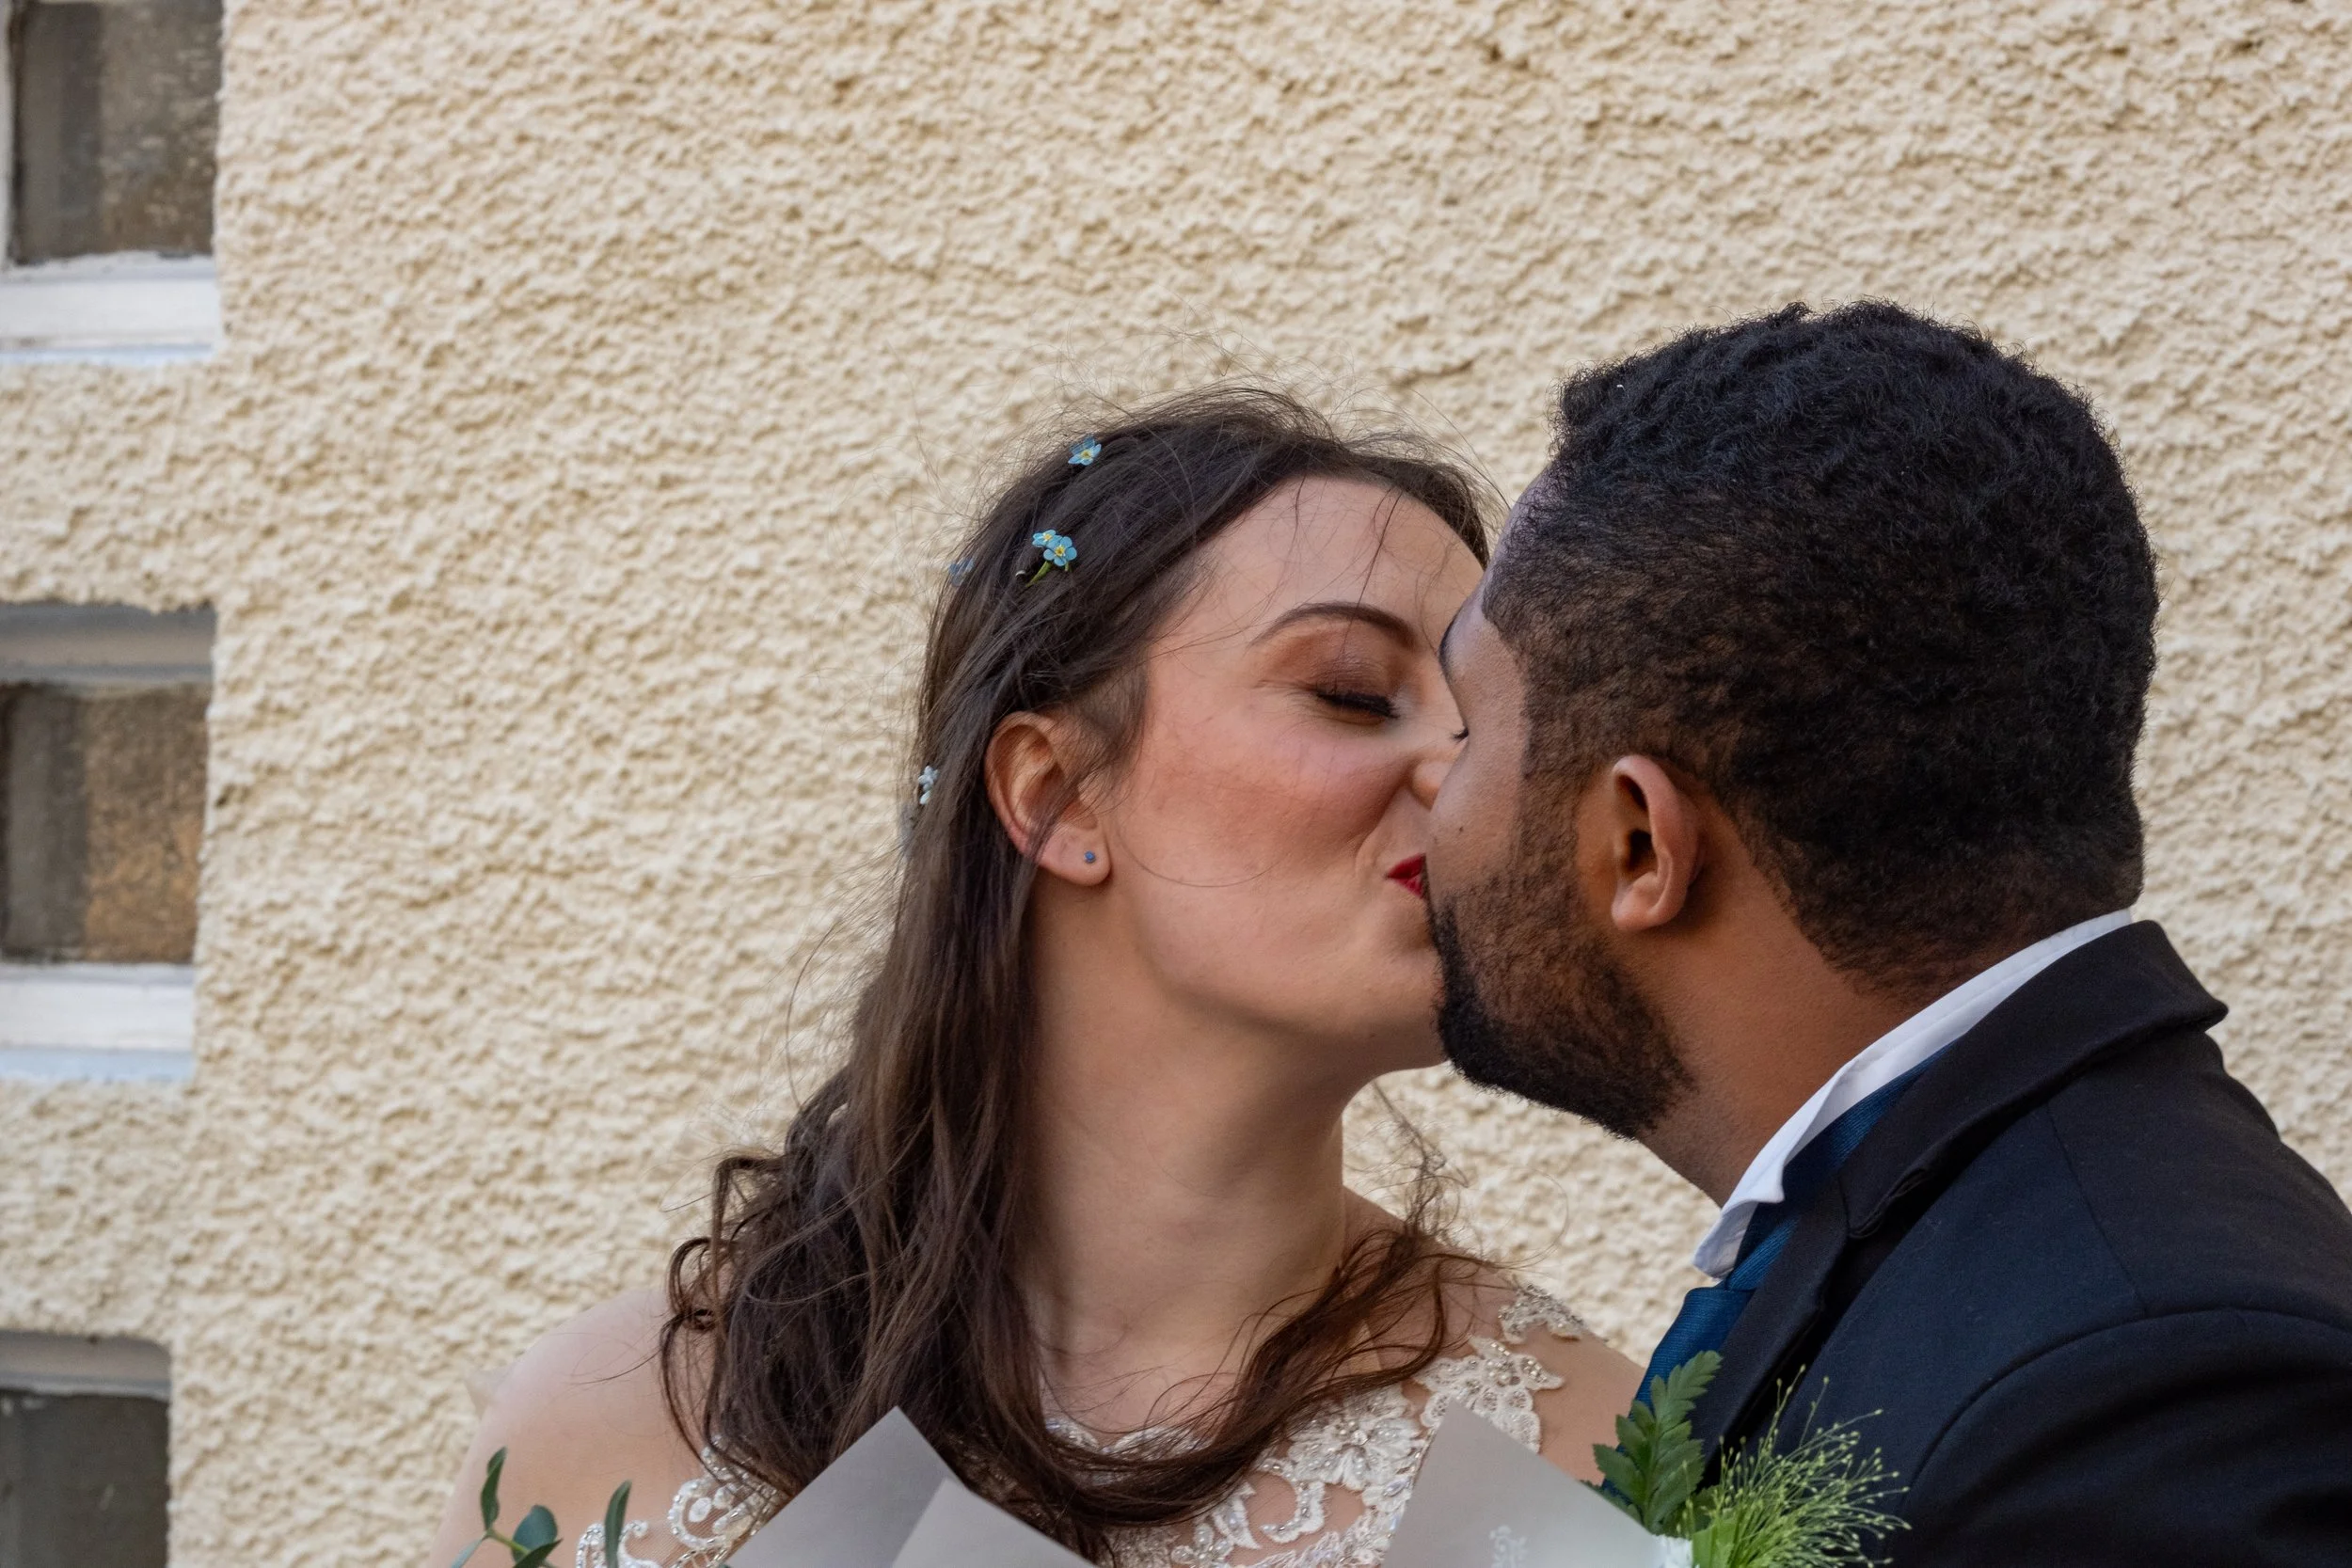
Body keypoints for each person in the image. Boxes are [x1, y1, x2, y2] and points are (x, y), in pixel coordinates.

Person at [427, 388, 1640, 1568]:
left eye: (1485, 721)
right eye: (1353, 693)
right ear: (1053, 794)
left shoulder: (1578, 1459)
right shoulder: (615, 1437)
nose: (1468, 776)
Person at [1426, 302, 2352, 1563]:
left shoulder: (2146, 1392)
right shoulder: (1939, 1230)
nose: (1428, 790)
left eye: (1467, 727)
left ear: (1640, 840)